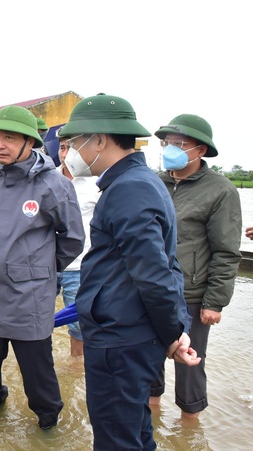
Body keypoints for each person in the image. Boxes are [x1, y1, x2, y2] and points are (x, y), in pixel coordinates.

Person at [59, 93, 200, 451]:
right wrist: (175, 328)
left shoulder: (129, 188)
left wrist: (173, 333)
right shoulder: (139, 181)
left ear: (100, 140)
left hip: (120, 339)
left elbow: (153, 273)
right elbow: (166, 265)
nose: (71, 151)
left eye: (74, 142)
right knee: (136, 432)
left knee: (115, 439)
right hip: (130, 332)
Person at [0, 105, 85, 430]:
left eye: (9, 137)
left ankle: (49, 423)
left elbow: (73, 239)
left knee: (39, 381)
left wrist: (41, 270)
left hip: (31, 297)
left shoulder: (53, 184)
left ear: (31, 142)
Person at [149, 114, 242, 420]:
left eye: (179, 144)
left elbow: (226, 251)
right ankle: (153, 420)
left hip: (190, 294)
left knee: (189, 364)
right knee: (148, 360)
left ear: (200, 151)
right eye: (167, 143)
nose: (170, 149)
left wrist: (215, 301)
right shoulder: (153, 183)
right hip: (149, 288)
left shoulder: (220, 191)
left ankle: (190, 429)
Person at [55, 135, 100, 357]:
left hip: (81, 268)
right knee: (33, 320)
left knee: (80, 327)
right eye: (62, 148)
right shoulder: (46, 179)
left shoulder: (97, 183)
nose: (65, 154)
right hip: (46, 265)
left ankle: (75, 371)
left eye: (71, 148)